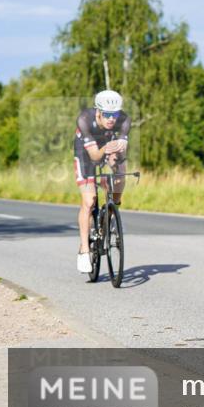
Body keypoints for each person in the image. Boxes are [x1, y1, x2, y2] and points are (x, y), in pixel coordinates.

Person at [74, 90, 131, 273]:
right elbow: (95, 157)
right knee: (89, 201)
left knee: (121, 169)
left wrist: (117, 154)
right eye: (107, 114)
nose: (111, 119)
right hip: (86, 152)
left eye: (114, 114)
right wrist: (106, 148)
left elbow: (120, 154)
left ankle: (115, 202)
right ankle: (84, 250)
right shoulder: (84, 120)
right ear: (98, 111)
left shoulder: (124, 120)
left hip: (107, 144)